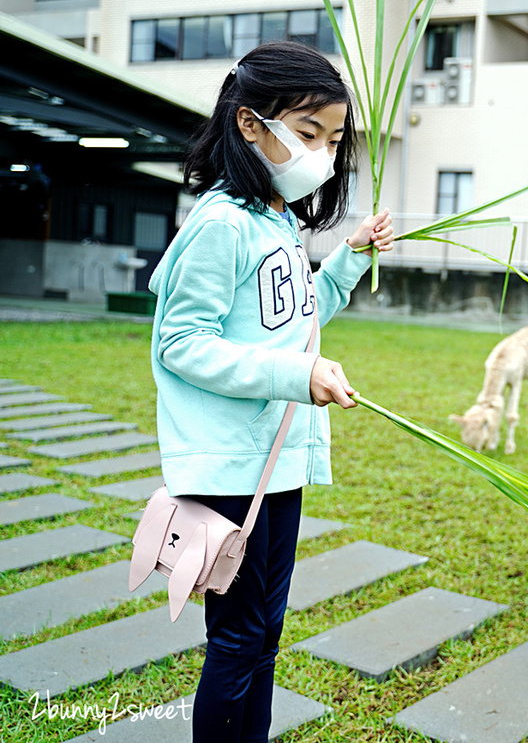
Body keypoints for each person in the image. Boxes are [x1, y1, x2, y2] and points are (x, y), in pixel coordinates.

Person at [147, 41, 393, 742]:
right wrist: (295, 375)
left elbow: (293, 315)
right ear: (251, 125)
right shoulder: (220, 225)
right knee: (238, 637)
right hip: (231, 467)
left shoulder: (275, 222)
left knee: (264, 635)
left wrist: (349, 260)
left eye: (334, 140)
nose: (323, 153)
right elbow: (180, 343)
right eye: (308, 134)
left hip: (274, 465)